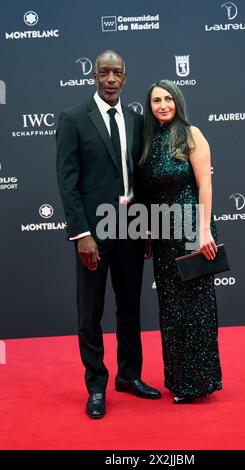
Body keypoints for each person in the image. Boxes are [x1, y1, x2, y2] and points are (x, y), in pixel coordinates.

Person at [56, 50, 161, 419]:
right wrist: (81, 233)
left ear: (125, 77)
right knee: (91, 312)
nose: (111, 79)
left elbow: (140, 180)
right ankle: (96, 385)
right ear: (95, 76)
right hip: (93, 234)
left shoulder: (135, 120)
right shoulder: (72, 120)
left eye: (117, 73)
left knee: (130, 307)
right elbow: (67, 183)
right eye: (105, 72)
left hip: (131, 231)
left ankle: (129, 376)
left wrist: (147, 228)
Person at [140, 80, 222, 404]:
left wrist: (204, 231)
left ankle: (200, 382)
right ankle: (177, 380)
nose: (162, 105)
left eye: (168, 99)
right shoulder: (149, 142)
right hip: (162, 234)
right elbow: (149, 194)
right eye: (156, 100)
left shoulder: (192, 134)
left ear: (178, 102)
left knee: (197, 309)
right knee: (171, 311)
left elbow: (205, 186)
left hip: (191, 231)